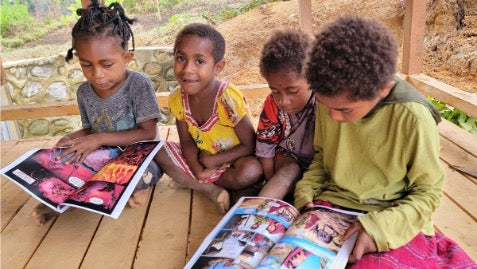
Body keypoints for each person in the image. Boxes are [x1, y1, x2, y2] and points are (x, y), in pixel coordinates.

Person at [294, 16, 476, 267]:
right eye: (327, 107)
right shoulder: (332, 100)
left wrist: (379, 229)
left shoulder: (412, 117)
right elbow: (323, 158)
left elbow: (428, 193)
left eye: (345, 110)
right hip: (335, 203)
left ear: (383, 89)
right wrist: (307, 188)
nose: (334, 117)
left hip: (392, 213)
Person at [31, 0, 163, 225]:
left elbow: (148, 133)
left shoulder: (138, 84)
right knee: (70, 170)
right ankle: (59, 203)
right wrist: (70, 139)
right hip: (103, 157)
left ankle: (125, 191)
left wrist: (99, 138)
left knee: (144, 172)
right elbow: (91, 129)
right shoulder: (84, 91)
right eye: (87, 65)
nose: (97, 74)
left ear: (126, 57)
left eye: (107, 65)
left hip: (139, 157)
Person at [154, 23, 263, 214]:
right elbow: (186, 142)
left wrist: (213, 161)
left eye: (199, 61)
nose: (187, 69)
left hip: (234, 160)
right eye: (181, 58)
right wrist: (197, 168)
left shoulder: (227, 99)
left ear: (218, 67)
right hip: (201, 159)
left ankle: (193, 182)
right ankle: (209, 188)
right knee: (159, 150)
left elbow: (250, 145)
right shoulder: (177, 100)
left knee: (251, 170)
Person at [255, 29, 316, 201]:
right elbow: (266, 148)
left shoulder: (327, 101)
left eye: (292, 91)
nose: (283, 101)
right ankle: (258, 213)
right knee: (288, 173)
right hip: (289, 157)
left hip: (322, 162)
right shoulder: (272, 105)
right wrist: (269, 180)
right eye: (275, 91)